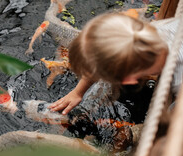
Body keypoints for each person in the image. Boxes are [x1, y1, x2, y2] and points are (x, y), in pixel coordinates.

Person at [48, 13, 182, 115]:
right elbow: (100, 59)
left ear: (127, 80)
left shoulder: (179, 78)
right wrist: (78, 92)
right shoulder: (145, 33)